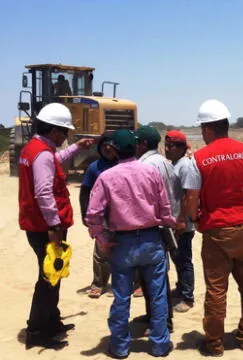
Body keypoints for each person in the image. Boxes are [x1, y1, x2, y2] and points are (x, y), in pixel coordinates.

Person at [184, 99, 243, 356]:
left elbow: (192, 198)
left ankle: (215, 344)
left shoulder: (199, 159)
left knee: (217, 290)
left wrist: (195, 219)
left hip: (217, 231)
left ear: (207, 129)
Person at [85, 129, 175, 358]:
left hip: (122, 244)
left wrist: (102, 239)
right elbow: (165, 208)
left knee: (121, 298)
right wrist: (167, 230)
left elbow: (92, 214)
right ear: (136, 148)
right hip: (151, 240)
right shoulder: (151, 172)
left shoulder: (107, 177)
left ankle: (120, 347)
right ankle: (159, 345)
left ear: (114, 150)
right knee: (157, 296)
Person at [18, 103, 95, 349]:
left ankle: (51, 321)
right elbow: (43, 192)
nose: (65, 136)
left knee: (54, 274)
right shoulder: (41, 154)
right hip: (45, 227)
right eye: (65, 132)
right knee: (48, 277)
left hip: (38, 224)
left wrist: (75, 148)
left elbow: (53, 160)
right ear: (54, 131)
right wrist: (54, 226)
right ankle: (38, 330)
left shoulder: (36, 149)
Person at [134, 125, 179, 332]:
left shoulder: (147, 165)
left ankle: (163, 321)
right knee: (154, 276)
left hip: (154, 226)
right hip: (164, 224)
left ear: (143, 144)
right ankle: (155, 315)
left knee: (156, 278)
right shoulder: (163, 162)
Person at [79, 132, 119, 299]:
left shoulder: (123, 164)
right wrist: (84, 213)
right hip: (102, 217)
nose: (108, 148)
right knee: (101, 252)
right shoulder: (94, 167)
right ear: (99, 148)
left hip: (123, 216)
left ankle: (135, 284)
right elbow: (84, 191)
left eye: (111, 145)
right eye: (104, 145)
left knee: (128, 250)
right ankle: (98, 283)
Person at [164, 130, 196, 313]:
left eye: (172, 146)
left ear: (182, 148)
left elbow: (188, 194)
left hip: (182, 222)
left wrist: (182, 220)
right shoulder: (175, 164)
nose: (168, 149)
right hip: (175, 220)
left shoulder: (184, 166)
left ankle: (188, 297)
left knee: (184, 259)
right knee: (177, 257)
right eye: (166, 145)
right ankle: (181, 286)